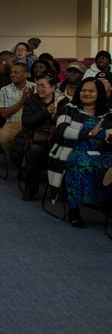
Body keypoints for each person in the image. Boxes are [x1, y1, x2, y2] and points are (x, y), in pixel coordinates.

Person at [46, 78, 112, 228]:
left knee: (109, 164)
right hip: (72, 150)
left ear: (99, 93)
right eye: (84, 90)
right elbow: (62, 129)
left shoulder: (108, 114)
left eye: (91, 91)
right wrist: (87, 134)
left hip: (101, 152)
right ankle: (74, 210)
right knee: (80, 162)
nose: (86, 93)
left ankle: (103, 205)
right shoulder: (70, 108)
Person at [17, 74, 66, 201]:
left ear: (53, 87)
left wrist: (54, 116)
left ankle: (63, 191)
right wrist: (44, 113)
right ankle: (30, 189)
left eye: (43, 86)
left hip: (57, 138)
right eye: (37, 85)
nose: (39, 89)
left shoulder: (62, 101)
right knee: (34, 150)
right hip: (36, 136)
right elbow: (27, 122)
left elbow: (63, 123)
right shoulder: (32, 99)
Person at [0, 62, 32, 155]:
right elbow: (4, 114)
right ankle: (16, 160)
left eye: (16, 72)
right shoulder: (4, 90)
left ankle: (23, 164)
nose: (12, 75)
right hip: (12, 124)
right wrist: (22, 101)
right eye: (11, 72)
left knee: (33, 141)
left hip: (31, 124)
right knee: (3, 137)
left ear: (25, 75)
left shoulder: (35, 88)